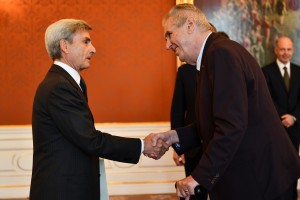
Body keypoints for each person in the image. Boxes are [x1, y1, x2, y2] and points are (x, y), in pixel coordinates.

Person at [148, 4, 300, 200]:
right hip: (254, 177)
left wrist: (198, 177)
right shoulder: (212, 56)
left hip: (261, 179)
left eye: (169, 34)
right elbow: (216, 121)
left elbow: (231, 126)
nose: (167, 45)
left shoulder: (221, 54)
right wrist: (174, 136)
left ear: (190, 25)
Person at [29, 19, 166, 200]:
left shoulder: (66, 82)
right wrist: (142, 145)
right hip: (62, 191)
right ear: (65, 46)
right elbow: (89, 140)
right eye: (86, 41)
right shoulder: (58, 86)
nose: (93, 49)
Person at [262, 36, 300, 200]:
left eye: (289, 49)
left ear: (293, 51)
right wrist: (281, 118)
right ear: (276, 50)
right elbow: (265, 99)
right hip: (275, 129)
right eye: (282, 49)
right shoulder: (265, 72)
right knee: (276, 168)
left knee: (293, 166)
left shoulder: (299, 71)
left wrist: (294, 117)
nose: (286, 53)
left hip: (295, 129)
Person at [170, 63, 208, 200]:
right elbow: (177, 111)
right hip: (193, 147)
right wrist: (178, 147)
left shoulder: (223, 66)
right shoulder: (184, 71)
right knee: (194, 195)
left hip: (221, 144)